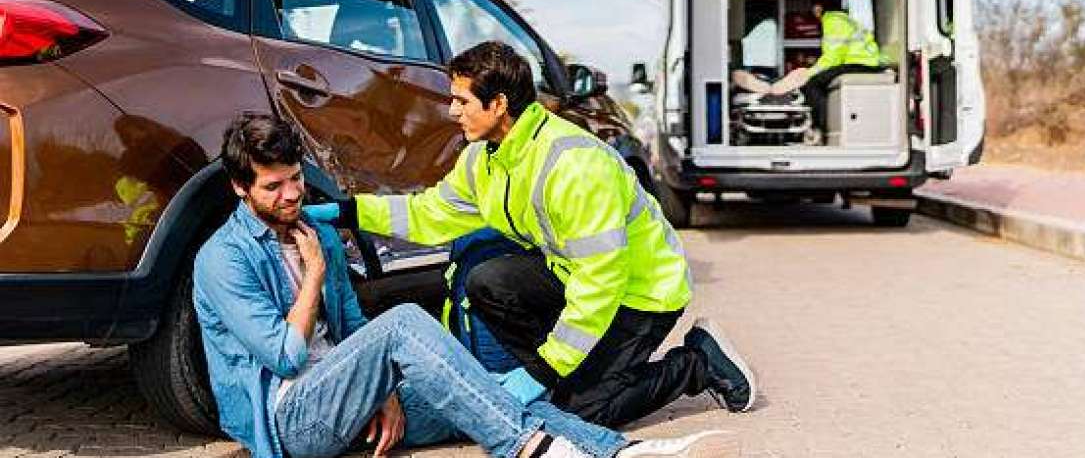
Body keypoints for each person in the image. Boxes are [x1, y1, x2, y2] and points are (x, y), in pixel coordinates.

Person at [192, 113, 738, 458]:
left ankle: (620, 453)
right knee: (405, 322)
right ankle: (526, 449)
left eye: (295, 180)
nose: (291, 195)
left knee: (491, 387)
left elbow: (354, 330)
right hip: (288, 423)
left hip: (350, 402)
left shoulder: (318, 235)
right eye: (273, 187)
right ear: (241, 188)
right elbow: (287, 357)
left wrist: (380, 390)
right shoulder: (222, 260)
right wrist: (311, 275)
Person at [305, 41, 756, 428]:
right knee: (489, 280)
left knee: (586, 411)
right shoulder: (485, 157)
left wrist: (545, 369)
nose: (452, 110)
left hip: (640, 291)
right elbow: (432, 212)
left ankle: (697, 362)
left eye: (462, 100)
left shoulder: (574, 164)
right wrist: (346, 211)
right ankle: (566, 378)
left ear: (498, 104)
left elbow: (601, 281)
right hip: (574, 275)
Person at [767, 0, 887, 132]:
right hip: (868, 63)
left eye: (814, 8)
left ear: (819, 8)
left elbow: (832, 58)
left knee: (813, 85)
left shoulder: (832, 21)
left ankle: (822, 129)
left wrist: (809, 74)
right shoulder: (845, 19)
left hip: (858, 64)